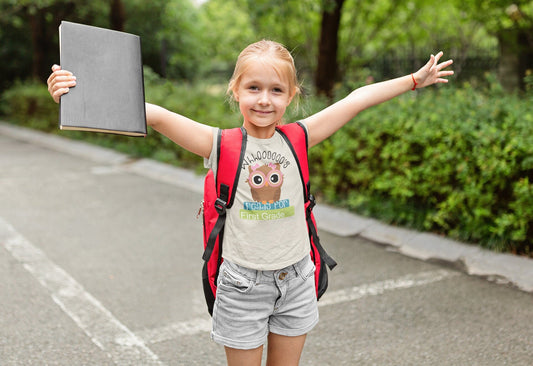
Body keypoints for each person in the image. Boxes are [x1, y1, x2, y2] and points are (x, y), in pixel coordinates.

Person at [47, 40, 453, 366]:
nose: (264, 100)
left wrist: (413, 81)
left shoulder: (299, 138)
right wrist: (74, 91)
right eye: (253, 88)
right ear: (235, 90)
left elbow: (356, 99)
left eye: (276, 90)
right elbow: (152, 113)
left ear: (291, 96)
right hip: (242, 284)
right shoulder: (219, 143)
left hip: (296, 279)